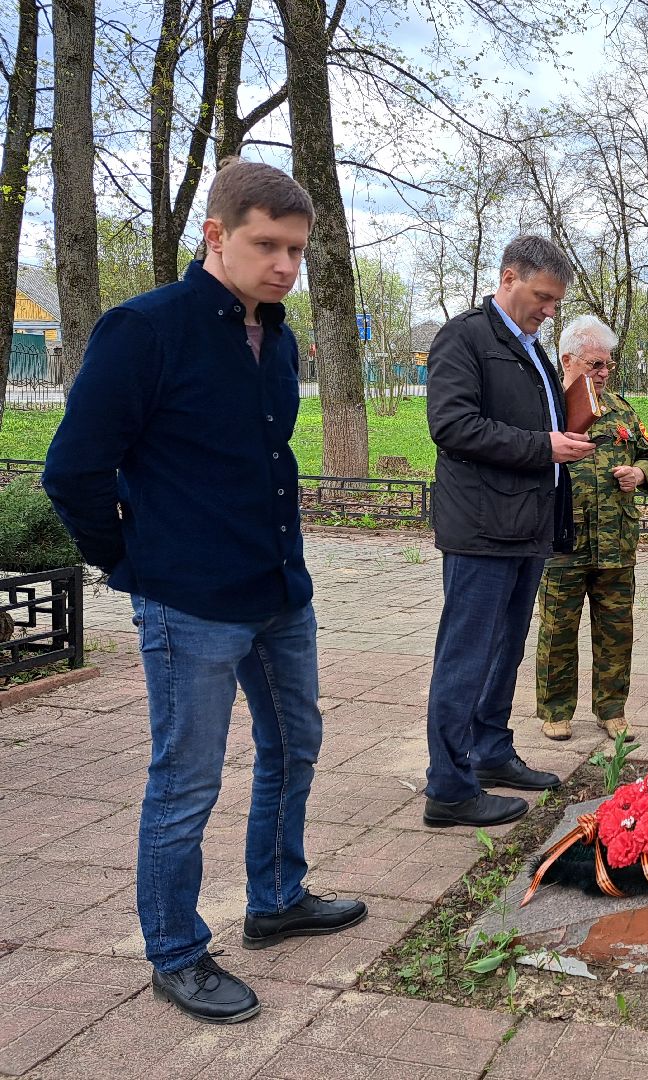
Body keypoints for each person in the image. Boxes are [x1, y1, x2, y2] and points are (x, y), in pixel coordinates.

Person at [41, 158, 367, 1025]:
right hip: (189, 604)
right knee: (186, 781)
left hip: (279, 591)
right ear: (216, 235)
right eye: (268, 245)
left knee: (296, 745)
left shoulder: (279, 336)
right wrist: (134, 566)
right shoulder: (145, 330)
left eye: (297, 250)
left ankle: (276, 899)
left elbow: (262, 458)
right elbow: (73, 470)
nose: (286, 265)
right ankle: (176, 952)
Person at [421, 235, 595, 829]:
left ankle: (490, 750)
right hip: (480, 529)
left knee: (505, 649)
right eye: (542, 297)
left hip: (526, 525)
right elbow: (452, 425)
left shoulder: (530, 347)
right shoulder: (464, 338)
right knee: (465, 656)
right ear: (508, 278)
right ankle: (449, 787)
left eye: (556, 301)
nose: (550, 309)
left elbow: (533, 419)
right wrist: (544, 446)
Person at [535, 315, 648, 743]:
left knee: (616, 631)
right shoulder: (546, 407)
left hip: (615, 541)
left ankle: (612, 709)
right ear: (567, 360)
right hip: (562, 539)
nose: (604, 372)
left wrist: (638, 473)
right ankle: (555, 710)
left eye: (608, 364)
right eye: (595, 364)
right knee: (557, 630)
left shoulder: (621, 409)